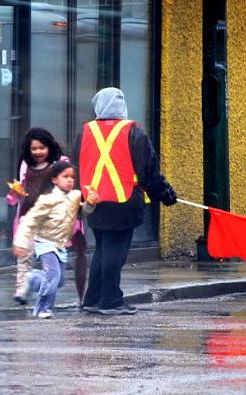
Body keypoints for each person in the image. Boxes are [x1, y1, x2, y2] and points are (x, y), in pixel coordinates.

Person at [73, 87, 178, 315]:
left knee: (102, 249)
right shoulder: (134, 133)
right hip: (124, 201)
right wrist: (165, 194)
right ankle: (110, 300)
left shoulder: (86, 132)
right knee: (115, 253)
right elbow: (149, 171)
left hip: (94, 202)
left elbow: (76, 166)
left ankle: (93, 298)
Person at [12, 161, 99, 318]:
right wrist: (20, 243)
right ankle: (43, 308)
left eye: (72, 177)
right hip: (45, 242)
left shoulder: (75, 196)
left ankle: (29, 278)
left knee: (58, 281)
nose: (70, 180)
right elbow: (30, 221)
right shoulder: (47, 199)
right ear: (54, 179)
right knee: (52, 276)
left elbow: (82, 213)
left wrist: (90, 204)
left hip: (61, 244)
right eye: (65, 176)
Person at [6, 127, 64, 304]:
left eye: (42, 147)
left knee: (55, 272)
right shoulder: (26, 166)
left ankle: (32, 281)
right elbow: (18, 193)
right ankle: (21, 289)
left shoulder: (59, 166)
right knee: (24, 256)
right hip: (28, 219)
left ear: (49, 147)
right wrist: (14, 194)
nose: (38, 152)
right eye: (34, 148)